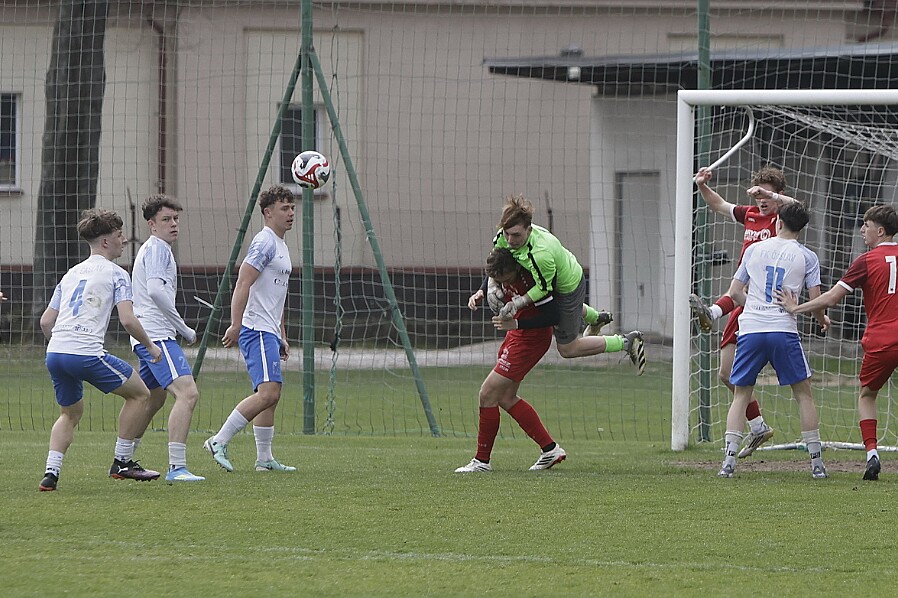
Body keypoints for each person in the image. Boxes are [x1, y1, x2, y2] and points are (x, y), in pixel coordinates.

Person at [38, 208, 164, 492]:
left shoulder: (71, 274)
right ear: (106, 241)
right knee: (141, 393)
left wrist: (61, 345)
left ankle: (51, 474)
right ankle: (122, 462)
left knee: (69, 414)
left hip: (56, 352)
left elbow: (46, 321)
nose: (124, 240)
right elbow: (128, 320)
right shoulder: (117, 273)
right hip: (85, 352)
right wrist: (150, 346)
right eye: (120, 235)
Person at [778, 204, 898, 481]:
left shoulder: (866, 261)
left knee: (867, 395)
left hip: (881, 340)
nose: (862, 230)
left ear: (881, 231)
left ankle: (872, 454)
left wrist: (796, 308)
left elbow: (832, 298)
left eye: (866, 226)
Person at [714, 202, 829, 478]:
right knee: (803, 394)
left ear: (778, 222)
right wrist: (821, 319)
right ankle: (816, 464)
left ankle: (728, 463)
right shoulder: (807, 256)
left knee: (741, 394)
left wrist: (757, 305)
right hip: (783, 329)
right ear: (802, 228)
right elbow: (816, 301)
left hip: (751, 329)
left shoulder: (754, 249)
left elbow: (735, 292)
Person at [689, 165, 797, 457]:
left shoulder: (783, 219)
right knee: (725, 374)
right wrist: (702, 185)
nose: (761, 200)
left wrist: (772, 196)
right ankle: (758, 426)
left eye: (767, 194)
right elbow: (719, 205)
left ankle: (713, 312)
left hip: (766, 306)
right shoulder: (749, 214)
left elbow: (798, 205)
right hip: (743, 298)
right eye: (758, 194)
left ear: (778, 194)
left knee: (798, 384)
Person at [492, 194, 646, 375]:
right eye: (507, 233)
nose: (510, 240)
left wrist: (516, 304)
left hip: (568, 286)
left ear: (529, 230)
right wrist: (490, 287)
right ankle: (596, 318)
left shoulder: (541, 255)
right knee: (555, 307)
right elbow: (496, 260)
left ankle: (626, 341)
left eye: (516, 235)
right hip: (553, 276)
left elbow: (543, 289)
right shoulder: (502, 238)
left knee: (567, 349)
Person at [456, 247, 575, 473]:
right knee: (505, 397)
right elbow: (493, 276)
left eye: (506, 280)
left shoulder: (531, 279)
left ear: (516, 269)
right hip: (517, 335)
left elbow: (553, 315)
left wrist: (518, 323)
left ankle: (481, 461)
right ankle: (550, 449)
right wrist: (481, 291)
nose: (503, 285)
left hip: (531, 339)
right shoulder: (503, 270)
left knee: (487, 393)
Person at [204, 185, 296, 472]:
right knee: (268, 393)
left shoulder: (281, 245)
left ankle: (264, 459)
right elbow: (243, 282)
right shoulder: (264, 242)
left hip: (269, 330)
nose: (291, 213)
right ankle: (218, 440)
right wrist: (236, 324)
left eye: (292, 208)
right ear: (268, 213)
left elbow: (277, 295)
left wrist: (281, 335)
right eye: (284, 208)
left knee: (271, 396)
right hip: (255, 328)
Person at [129, 194, 204, 483]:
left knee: (152, 399)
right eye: (166, 219)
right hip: (157, 336)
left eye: (175, 219)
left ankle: (122, 459)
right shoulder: (158, 249)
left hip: (147, 335)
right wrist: (183, 327)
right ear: (152, 224)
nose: (173, 224)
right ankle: (177, 467)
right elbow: (155, 291)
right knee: (188, 393)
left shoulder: (153, 249)